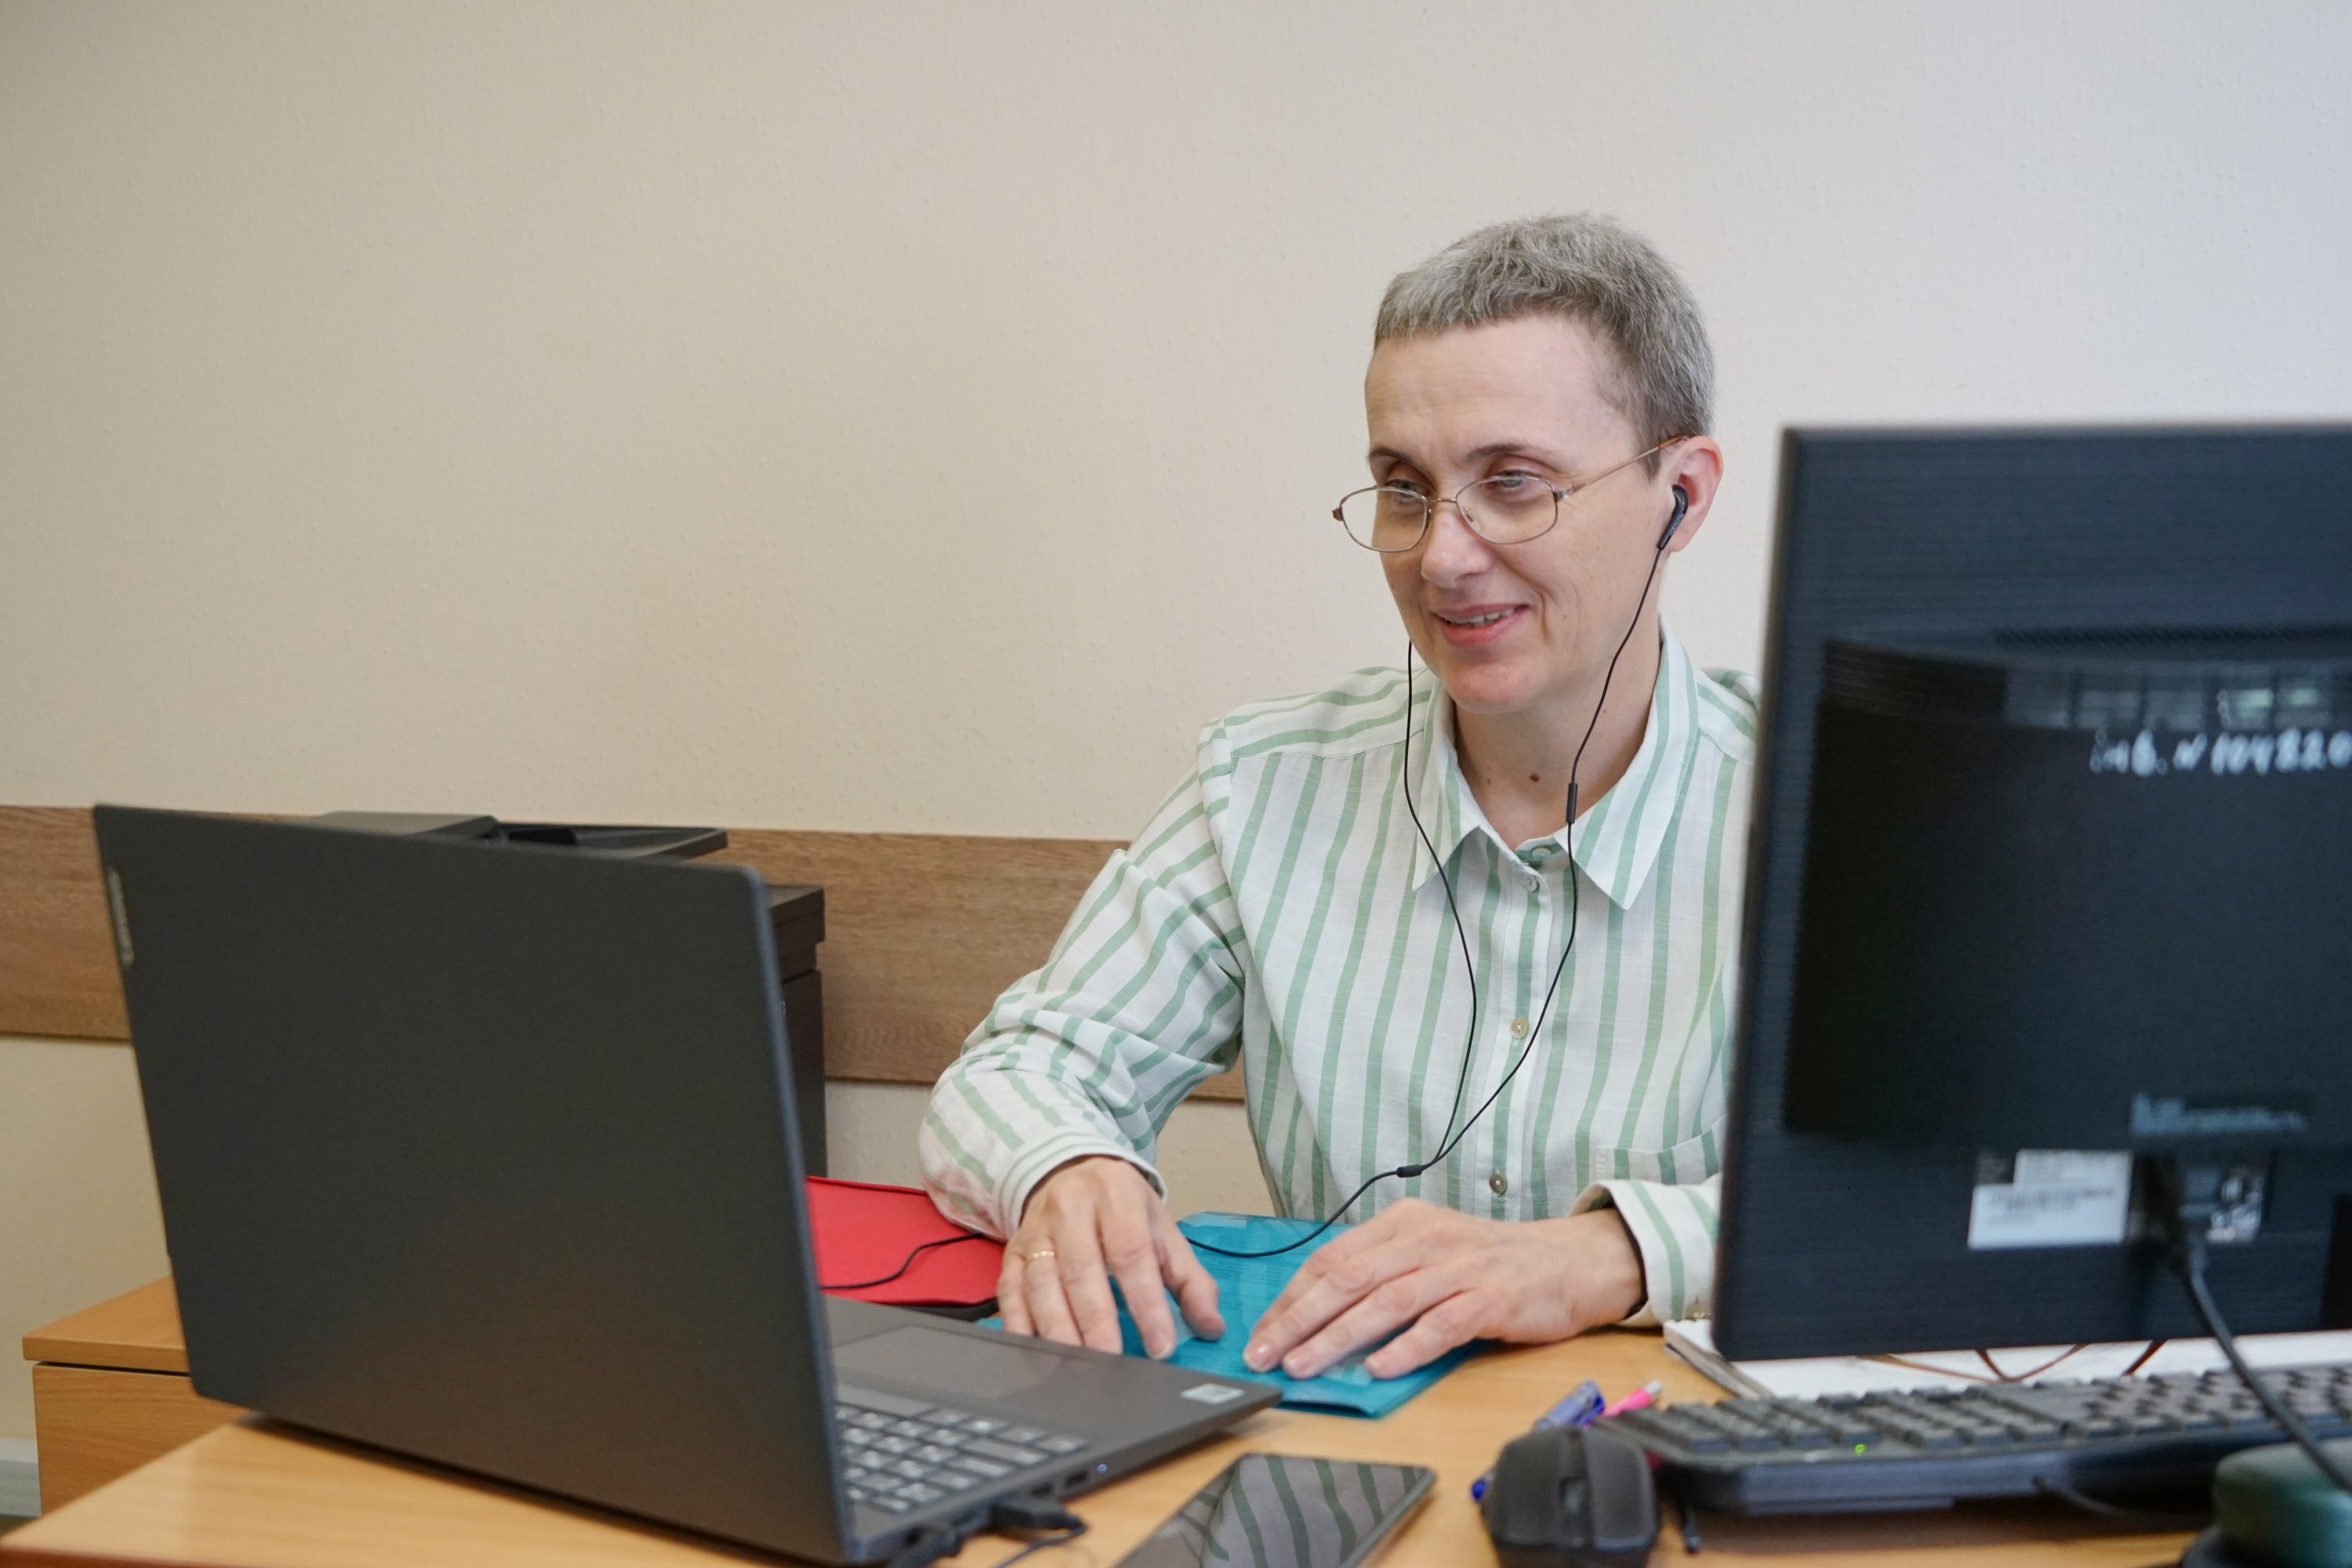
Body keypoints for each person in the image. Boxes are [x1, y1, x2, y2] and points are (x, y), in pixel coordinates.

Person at [920, 213, 1751, 1382]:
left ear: (1682, 495)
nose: (1441, 556)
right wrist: (1065, 1166)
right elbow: (1016, 1074)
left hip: (1676, 1454)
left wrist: (1607, 1254)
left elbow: (1953, 1195)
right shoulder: (1265, 784)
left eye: (1514, 484)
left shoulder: (1837, 815)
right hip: (1347, 1450)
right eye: (1404, 489)